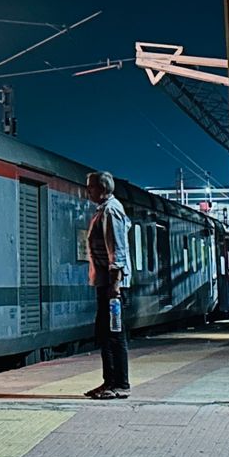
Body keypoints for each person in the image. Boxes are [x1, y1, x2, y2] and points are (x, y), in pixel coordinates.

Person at [84, 171, 132, 399]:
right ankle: (109, 382)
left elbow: (117, 249)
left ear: (103, 188)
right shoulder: (104, 210)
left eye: (91, 187)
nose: (88, 191)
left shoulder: (111, 211)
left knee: (113, 333)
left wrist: (116, 283)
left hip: (112, 285)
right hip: (106, 283)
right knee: (107, 333)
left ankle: (118, 384)